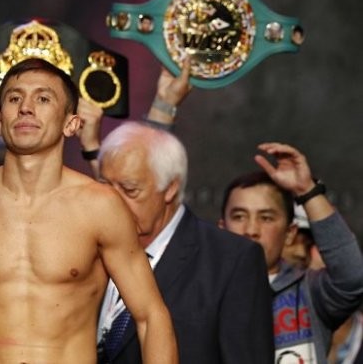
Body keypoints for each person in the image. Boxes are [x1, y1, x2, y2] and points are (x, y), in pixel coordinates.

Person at [0, 58, 178, 363]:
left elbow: (151, 316)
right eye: (14, 98)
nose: (26, 108)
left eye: (43, 99)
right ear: (1, 117)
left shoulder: (100, 207)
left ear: (71, 123)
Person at [96, 120, 274, 363]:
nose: (113, 201)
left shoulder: (230, 260)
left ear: (170, 188)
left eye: (130, 190)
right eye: (105, 187)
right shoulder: (88, 247)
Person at [220, 142, 363, 363]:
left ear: (289, 233)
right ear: (221, 228)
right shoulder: (197, 290)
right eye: (239, 216)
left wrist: (307, 191)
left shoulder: (310, 293)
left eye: (266, 218)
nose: (251, 230)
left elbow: (352, 277)